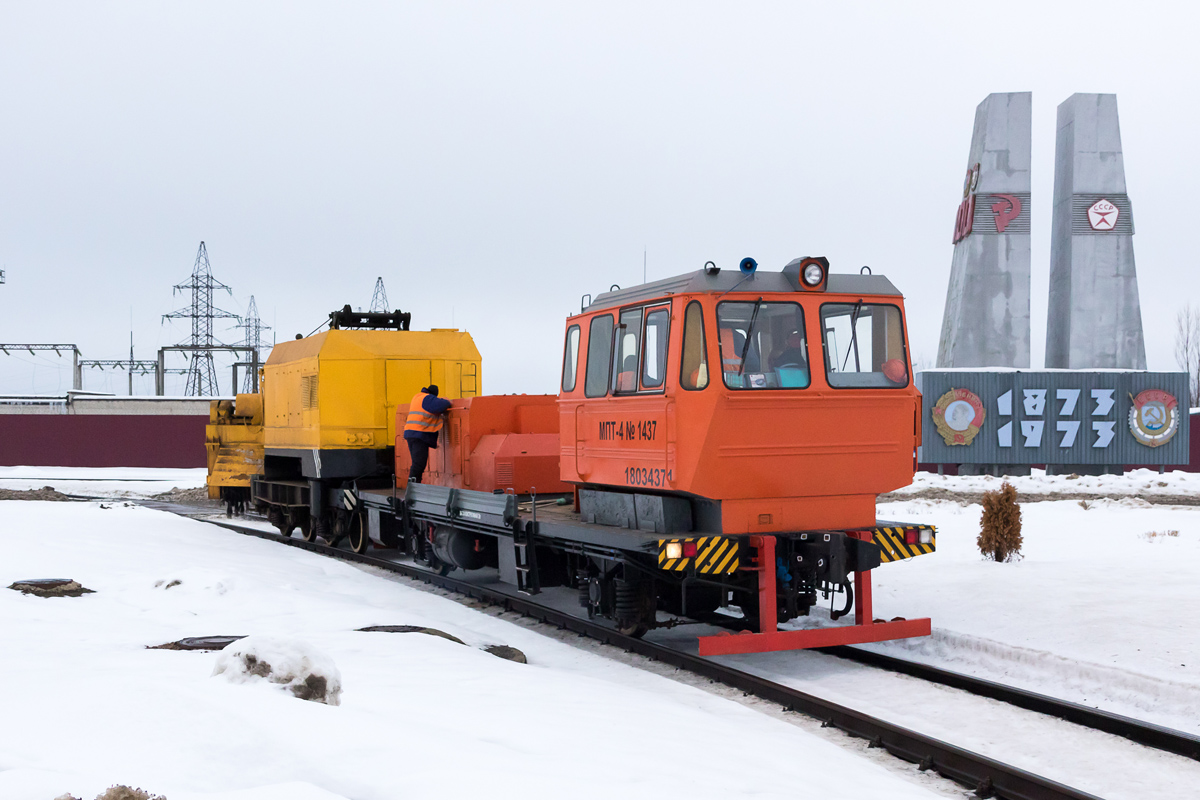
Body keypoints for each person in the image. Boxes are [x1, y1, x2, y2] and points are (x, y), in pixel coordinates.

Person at [403, 384, 452, 484]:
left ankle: (414, 486)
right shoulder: (428, 398)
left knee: (417, 463)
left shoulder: (417, 397)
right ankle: (413, 488)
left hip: (411, 434)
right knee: (419, 464)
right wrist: (446, 400)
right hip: (419, 435)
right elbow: (444, 404)